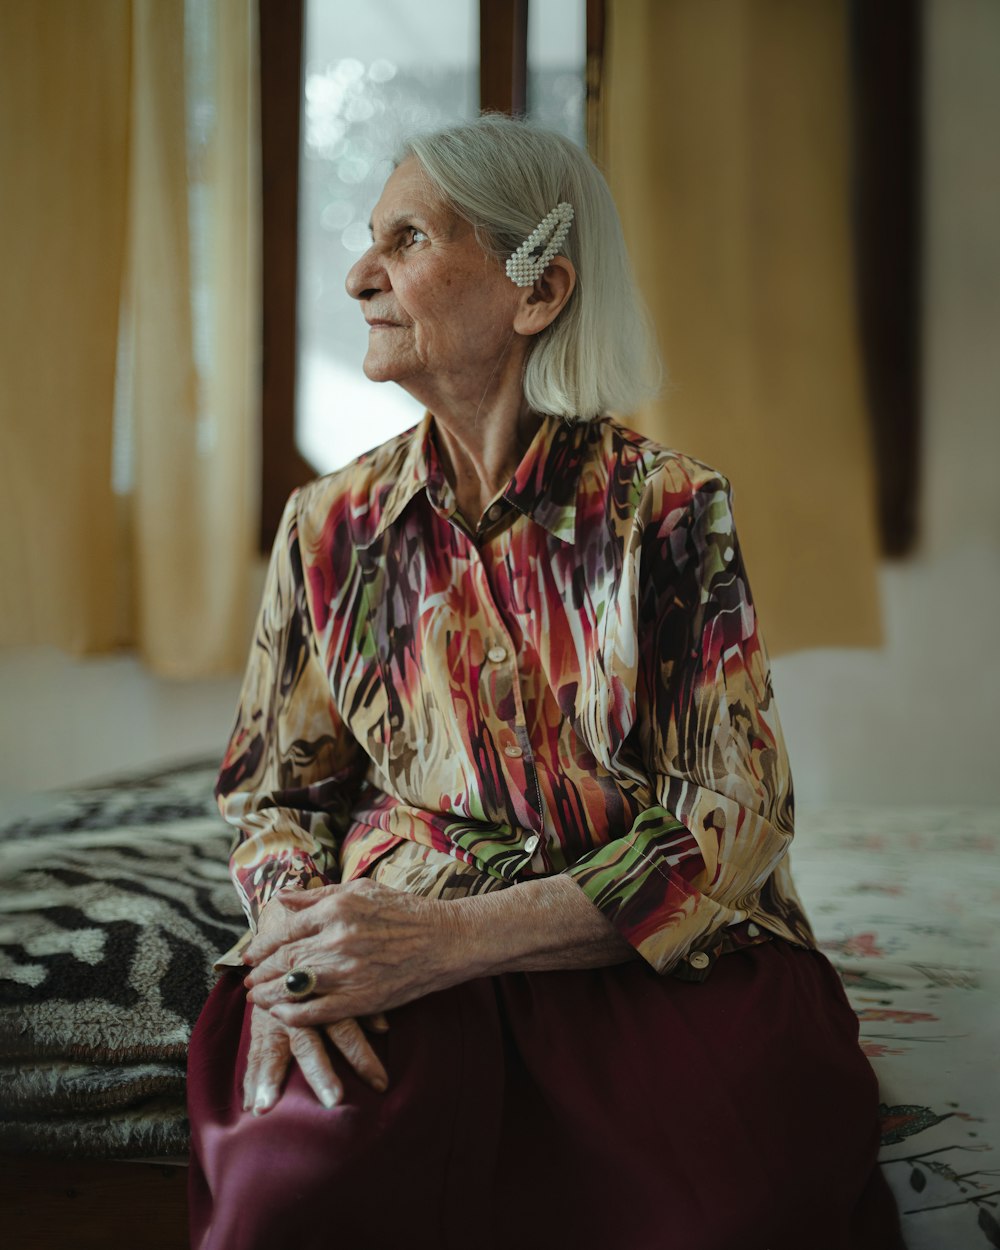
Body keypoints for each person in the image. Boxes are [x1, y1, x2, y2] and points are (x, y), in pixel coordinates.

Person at [186, 114, 903, 1250]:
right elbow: (275, 793)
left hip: (621, 939)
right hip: (392, 928)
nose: (357, 272)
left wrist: (457, 937)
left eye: (407, 238)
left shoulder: (665, 508)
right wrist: (296, 940)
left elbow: (734, 815)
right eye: (370, 237)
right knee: (293, 1194)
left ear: (538, 289)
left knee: (737, 1204)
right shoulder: (327, 525)